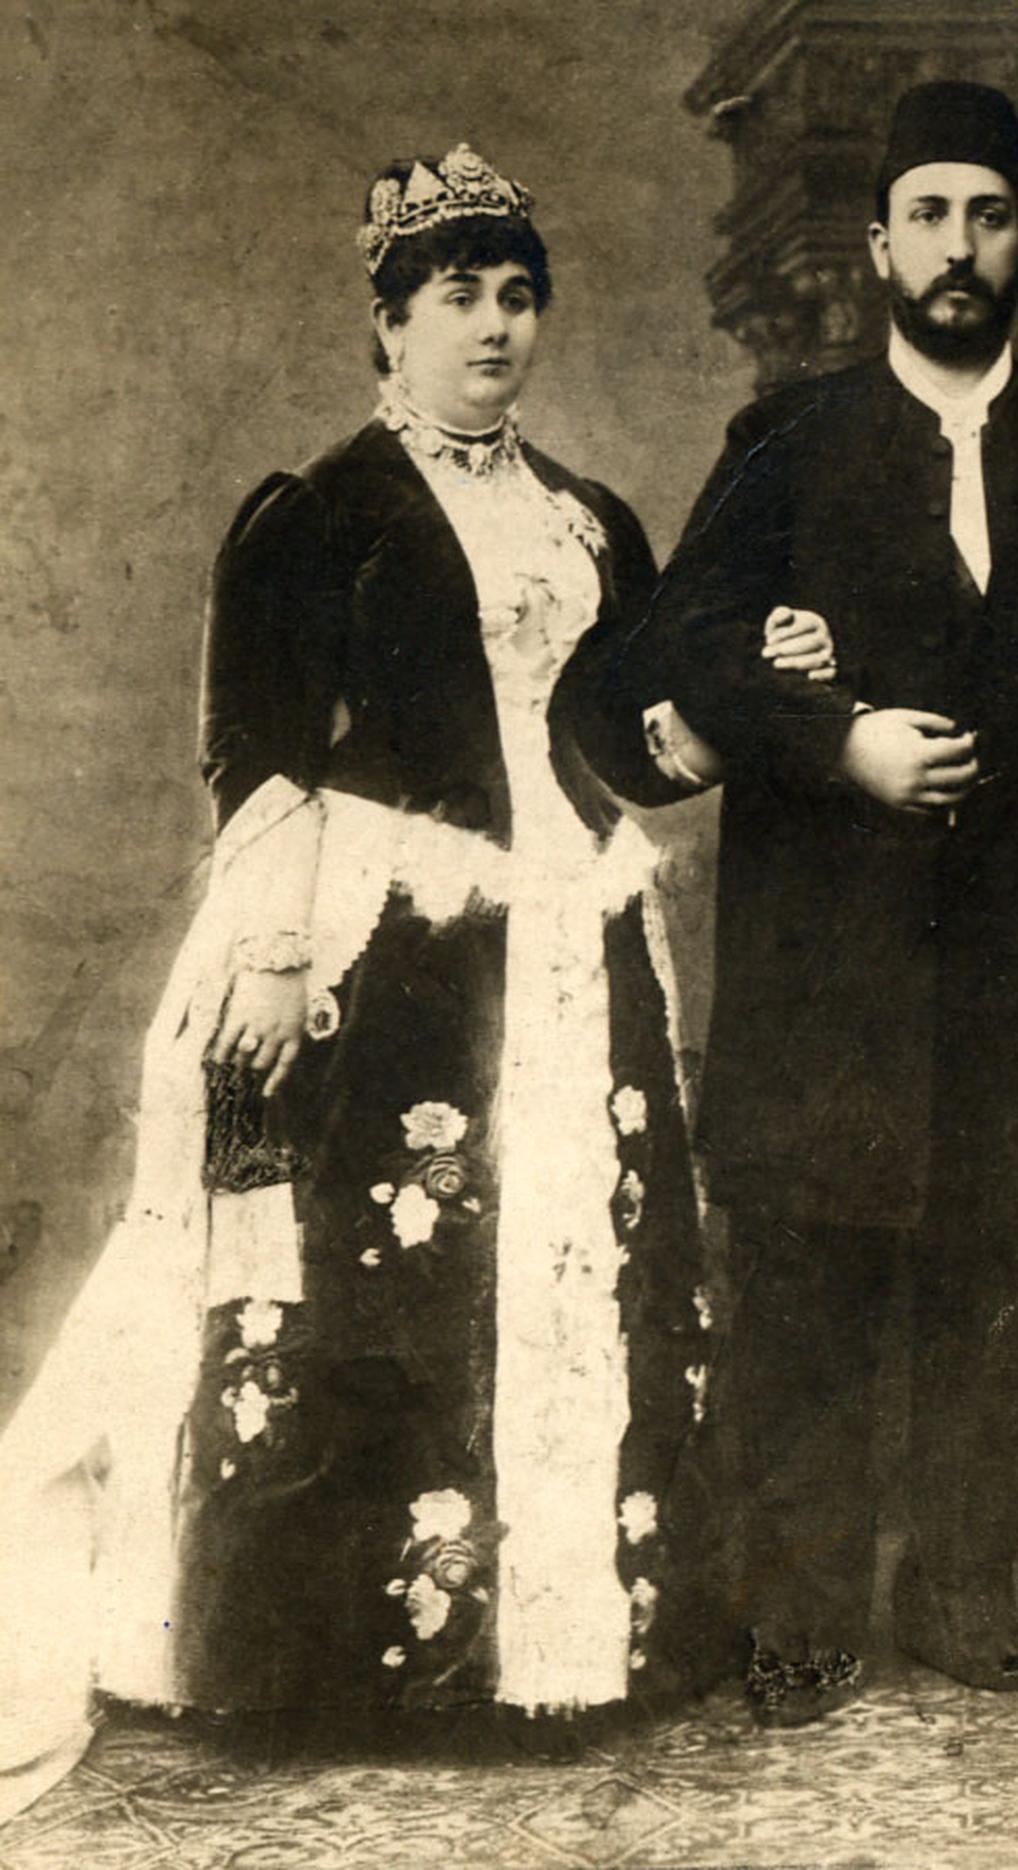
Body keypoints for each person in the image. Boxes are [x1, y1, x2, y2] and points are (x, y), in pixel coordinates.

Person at [0, 143, 839, 1811]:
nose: (495, 326)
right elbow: (256, 752)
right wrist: (273, 954)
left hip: (578, 942)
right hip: (395, 959)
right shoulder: (321, 513)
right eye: (459, 296)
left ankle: (572, 1645)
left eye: (519, 295)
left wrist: (756, 682)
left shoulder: (590, 518)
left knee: (586, 1256)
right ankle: (356, 1658)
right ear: (389, 323)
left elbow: (633, 744)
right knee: (393, 1281)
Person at [627, 82, 1018, 1725]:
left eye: (991, 217)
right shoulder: (787, 441)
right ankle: (802, 1604)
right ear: (879, 244)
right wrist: (838, 736)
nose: (960, 248)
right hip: (830, 954)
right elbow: (685, 646)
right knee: (808, 1272)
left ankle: (959, 1580)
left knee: (1000, 1261)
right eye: (931, 215)